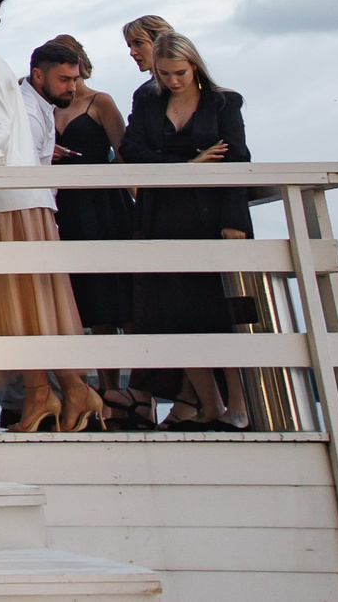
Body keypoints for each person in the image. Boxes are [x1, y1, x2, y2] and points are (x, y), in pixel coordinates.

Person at [0, 0, 99, 433]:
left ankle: (48, 392)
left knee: (21, 300)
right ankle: (60, 390)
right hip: (1, 201)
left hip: (6, 201)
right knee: (24, 301)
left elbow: (1, 116)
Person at [121, 28, 252, 431]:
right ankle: (208, 406)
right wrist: (188, 165)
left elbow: (237, 160)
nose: (172, 81)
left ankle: (239, 406)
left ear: (194, 65)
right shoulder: (147, 99)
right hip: (162, 216)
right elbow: (131, 150)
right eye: (164, 74)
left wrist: (234, 222)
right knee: (176, 313)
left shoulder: (224, 102)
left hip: (212, 217)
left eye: (179, 72)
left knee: (222, 312)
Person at [42, 38, 135, 335]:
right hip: (66, 205)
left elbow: (124, 154)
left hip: (105, 204)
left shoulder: (100, 101)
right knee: (88, 293)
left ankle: (141, 362)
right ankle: (104, 364)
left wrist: (139, 201)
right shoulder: (46, 107)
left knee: (122, 288)